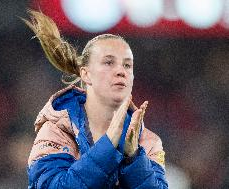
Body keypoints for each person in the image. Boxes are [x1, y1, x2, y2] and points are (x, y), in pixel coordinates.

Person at [23, 9, 168, 189]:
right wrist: (108, 146)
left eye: (127, 65)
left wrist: (133, 158)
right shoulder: (56, 132)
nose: (121, 71)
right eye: (108, 62)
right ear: (86, 74)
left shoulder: (147, 142)